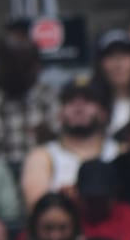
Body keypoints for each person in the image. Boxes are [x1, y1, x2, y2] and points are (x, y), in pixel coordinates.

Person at [0, 23, 59, 166]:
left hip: (40, 172)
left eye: (30, 66)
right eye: (19, 67)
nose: (29, 73)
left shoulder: (48, 97)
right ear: (2, 65)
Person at [21, 77, 118, 211]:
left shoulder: (120, 152)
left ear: (104, 113)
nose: (78, 107)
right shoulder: (42, 156)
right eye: (70, 102)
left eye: (88, 101)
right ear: (60, 114)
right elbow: (37, 209)